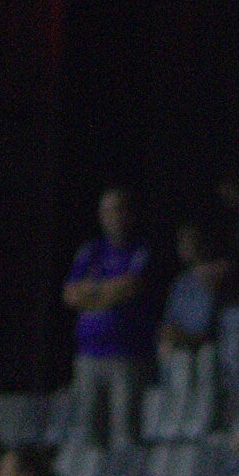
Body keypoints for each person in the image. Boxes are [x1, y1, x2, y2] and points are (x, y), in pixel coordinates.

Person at [64, 187, 154, 450]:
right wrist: (107, 292)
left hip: (126, 355)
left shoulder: (140, 249)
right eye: (106, 211)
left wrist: (91, 293)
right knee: (89, 435)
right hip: (88, 354)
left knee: (125, 435)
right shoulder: (91, 251)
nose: (112, 216)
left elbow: (129, 288)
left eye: (118, 210)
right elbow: (70, 295)